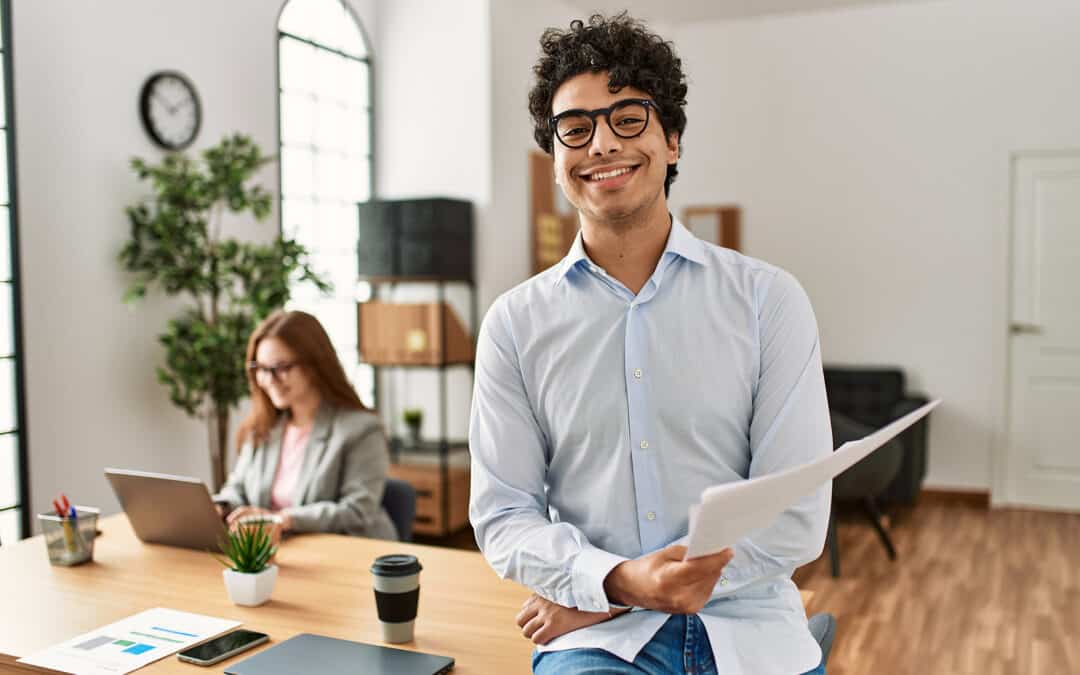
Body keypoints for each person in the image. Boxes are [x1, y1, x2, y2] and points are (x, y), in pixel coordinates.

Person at [469, 13, 831, 675]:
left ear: (673, 140)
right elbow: (504, 516)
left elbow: (795, 517)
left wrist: (614, 590)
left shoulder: (769, 302)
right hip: (597, 646)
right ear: (556, 161)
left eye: (628, 117)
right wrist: (619, 584)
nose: (601, 143)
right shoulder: (513, 325)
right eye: (575, 128)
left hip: (753, 635)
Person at [214, 310, 398, 541]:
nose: (269, 380)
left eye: (281, 367)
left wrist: (283, 520)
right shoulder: (263, 427)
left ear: (314, 366)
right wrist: (220, 507)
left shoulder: (361, 429)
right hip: (277, 553)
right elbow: (238, 488)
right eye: (260, 368)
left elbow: (357, 511)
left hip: (347, 556)